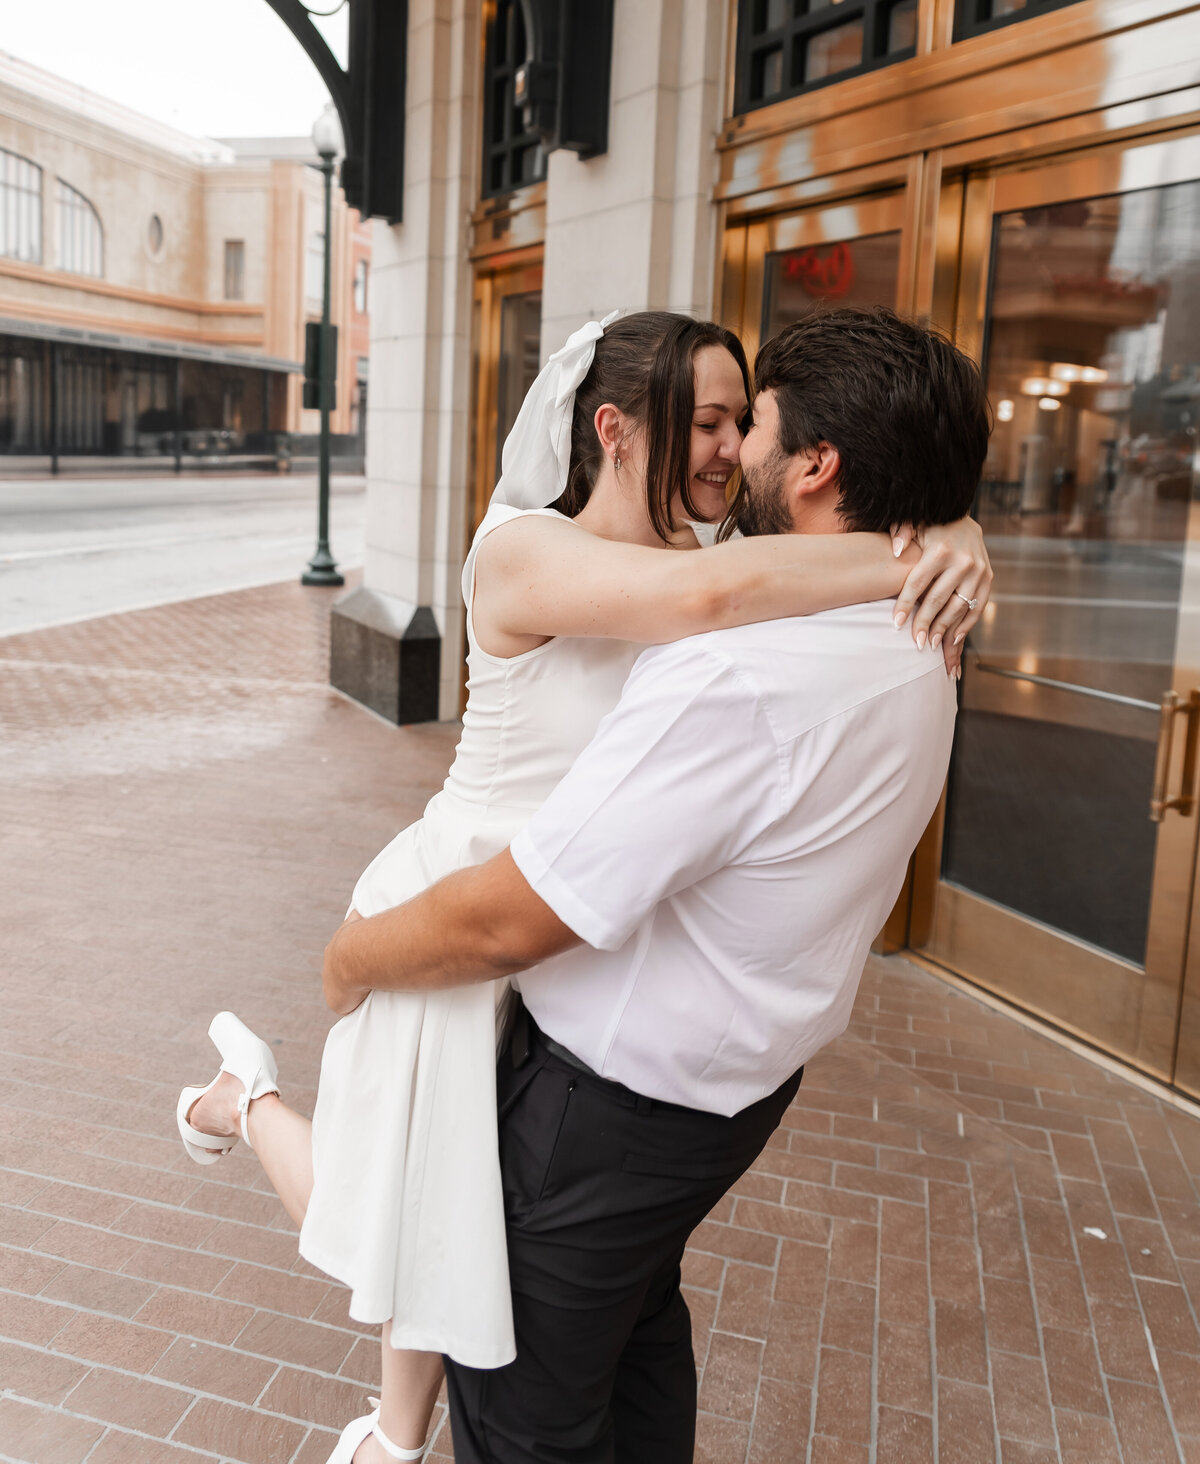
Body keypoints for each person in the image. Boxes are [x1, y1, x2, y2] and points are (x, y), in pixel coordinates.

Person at [175, 309, 989, 1464]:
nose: (723, 448)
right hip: (455, 903)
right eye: (705, 421)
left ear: (812, 466)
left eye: (740, 424)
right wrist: (930, 538)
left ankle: (390, 1431)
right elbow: (719, 606)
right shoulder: (529, 550)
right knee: (395, 1221)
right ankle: (251, 1102)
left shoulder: (727, 570)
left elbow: (732, 595)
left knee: (452, 1239)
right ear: (615, 428)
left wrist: (947, 527)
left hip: (549, 929)